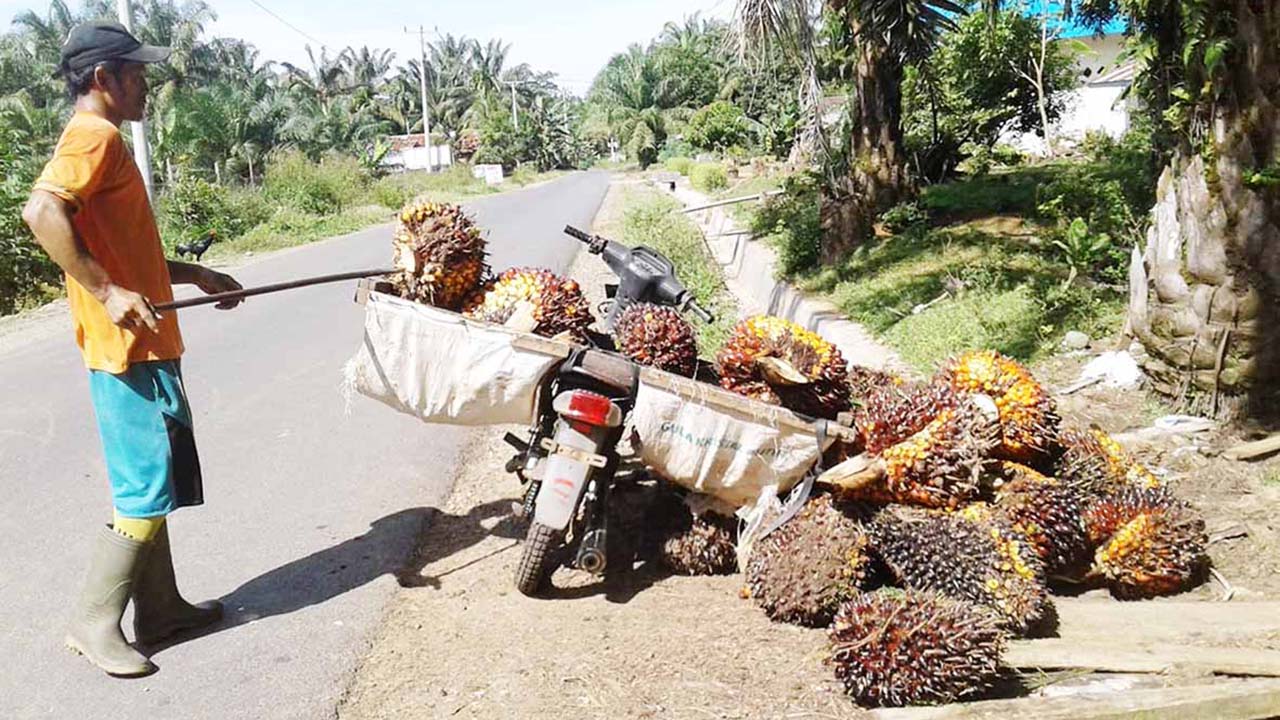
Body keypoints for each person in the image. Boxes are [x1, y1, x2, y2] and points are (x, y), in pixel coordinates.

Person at [22, 20, 244, 677]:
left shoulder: (105, 140)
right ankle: (94, 623)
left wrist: (194, 273)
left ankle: (161, 610)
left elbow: (125, 250)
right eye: (137, 73)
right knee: (144, 487)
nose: (146, 84)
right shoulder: (94, 136)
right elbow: (41, 213)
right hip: (127, 352)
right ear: (104, 80)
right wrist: (109, 291)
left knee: (159, 478)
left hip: (143, 342)